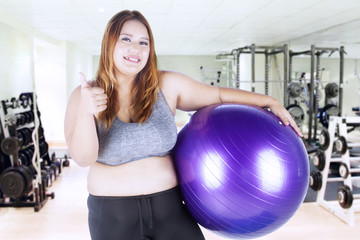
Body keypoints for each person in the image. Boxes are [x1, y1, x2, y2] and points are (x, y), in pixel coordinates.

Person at [64, 10, 302, 240]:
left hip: (169, 209)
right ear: (109, 43)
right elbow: (83, 158)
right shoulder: (84, 95)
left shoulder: (166, 84)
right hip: (113, 216)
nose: (135, 49)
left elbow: (218, 95)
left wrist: (269, 101)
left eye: (143, 43)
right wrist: (87, 111)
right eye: (126, 39)